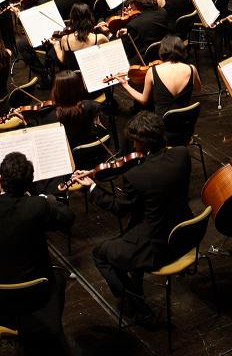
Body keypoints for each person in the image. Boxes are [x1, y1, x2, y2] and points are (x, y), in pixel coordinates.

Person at [75, 112, 191, 323]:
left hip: (160, 248)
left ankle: (138, 306)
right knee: (128, 236)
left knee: (100, 254)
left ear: (140, 143)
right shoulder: (182, 154)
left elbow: (121, 208)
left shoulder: (135, 177)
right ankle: (135, 283)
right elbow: (157, 178)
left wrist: (92, 188)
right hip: (186, 234)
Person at [0, 152, 74, 356]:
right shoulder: (38, 207)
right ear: (30, 182)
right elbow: (68, 219)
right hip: (37, 296)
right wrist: (47, 199)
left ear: (0, 180)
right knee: (59, 276)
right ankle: (50, 334)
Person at [117, 35, 200, 118]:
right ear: (182, 50)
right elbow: (198, 89)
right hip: (186, 122)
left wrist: (125, 85)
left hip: (161, 125)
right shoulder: (192, 69)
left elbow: (144, 101)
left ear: (162, 51)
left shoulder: (152, 71)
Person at [48, 71, 106, 147]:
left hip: (72, 154)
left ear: (56, 91)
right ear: (79, 87)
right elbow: (102, 130)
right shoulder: (94, 106)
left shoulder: (51, 119)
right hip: (95, 150)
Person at [52, 3, 108, 71]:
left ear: (72, 19)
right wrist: (107, 33)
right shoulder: (100, 38)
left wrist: (56, 45)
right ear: (90, 18)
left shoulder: (65, 39)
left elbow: (64, 61)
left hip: (77, 77)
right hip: (97, 72)